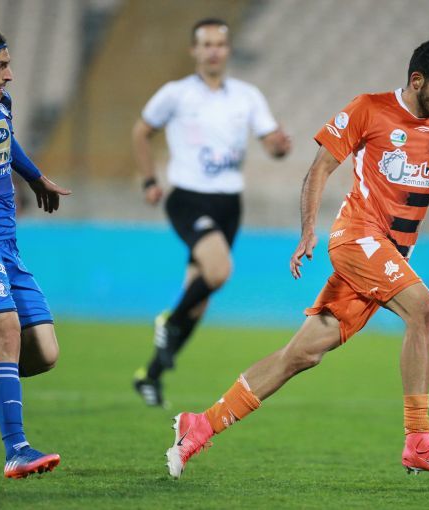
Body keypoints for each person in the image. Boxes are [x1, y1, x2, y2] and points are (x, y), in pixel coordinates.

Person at [164, 39, 429, 479]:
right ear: (417, 80)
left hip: (389, 254)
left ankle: (200, 424)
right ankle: (418, 440)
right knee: (423, 310)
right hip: (357, 237)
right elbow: (320, 168)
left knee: (301, 354)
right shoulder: (369, 109)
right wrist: (308, 230)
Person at [132, 18, 291, 407]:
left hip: (229, 204)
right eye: (206, 44)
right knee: (218, 271)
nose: (213, 51)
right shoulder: (176, 93)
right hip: (188, 198)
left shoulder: (247, 96)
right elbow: (141, 131)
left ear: (228, 50)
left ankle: (149, 376)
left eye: (220, 44)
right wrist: (149, 180)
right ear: (194, 50)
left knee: (199, 301)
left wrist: (279, 146)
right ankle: (168, 323)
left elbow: (271, 142)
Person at [0, 19, 72, 478]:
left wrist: (35, 176)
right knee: (6, 332)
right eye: (0, 65)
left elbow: (4, 140)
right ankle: (17, 449)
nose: (10, 74)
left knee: (42, 352)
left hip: (6, 242)